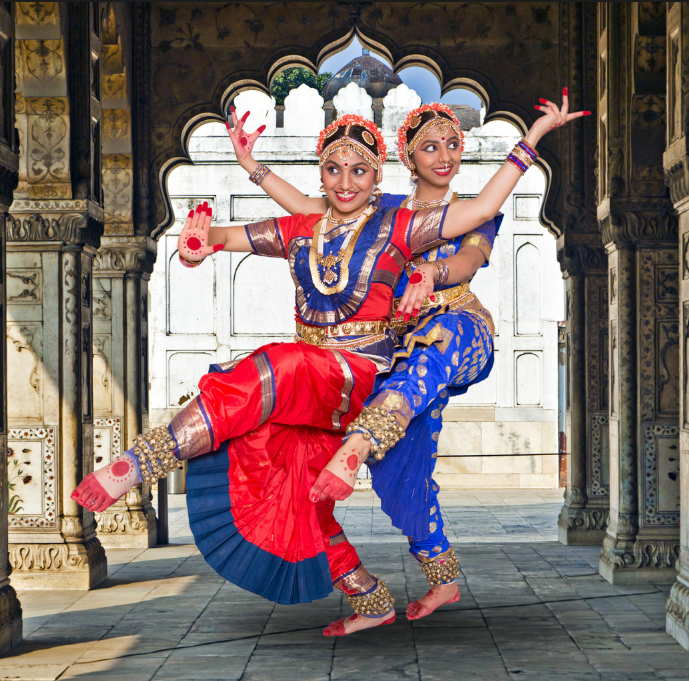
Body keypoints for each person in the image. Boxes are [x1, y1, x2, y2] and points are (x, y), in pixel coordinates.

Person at [73, 95, 587, 636]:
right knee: (296, 488)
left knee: (284, 366)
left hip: (382, 364)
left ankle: (142, 460)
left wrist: (532, 138)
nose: (346, 181)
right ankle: (370, 597)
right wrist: (202, 240)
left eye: (360, 170)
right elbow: (237, 232)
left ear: (378, 173)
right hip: (345, 378)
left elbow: (480, 215)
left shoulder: (401, 225)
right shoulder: (313, 225)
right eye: (335, 169)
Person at [223, 95, 575, 620]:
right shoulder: (384, 213)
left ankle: (358, 445)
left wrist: (536, 135)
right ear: (407, 160)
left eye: (453, 144)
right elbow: (310, 209)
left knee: (426, 358)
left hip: (458, 333)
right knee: (402, 474)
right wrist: (252, 167)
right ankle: (441, 576)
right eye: (429, 147)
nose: (444, 156)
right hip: (396, 358)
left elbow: (468, 255)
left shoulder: (467, 215)